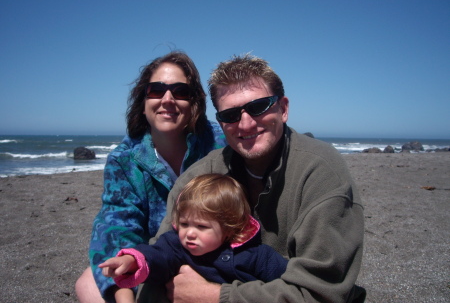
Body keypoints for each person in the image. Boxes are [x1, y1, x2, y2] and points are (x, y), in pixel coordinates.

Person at [143, 54, 366, 303]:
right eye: (230, 115)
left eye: (258, 107)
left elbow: (321, 292)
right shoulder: (198, 179)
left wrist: (215, 296)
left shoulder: (320, 173)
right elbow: (159, 259)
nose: (246, 124)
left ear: (283, 109)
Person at [75, 51, 226, 303]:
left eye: (180, 91)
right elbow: (116, 229)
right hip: (156, 261)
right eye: (156, 90)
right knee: (88, 284)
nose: (168, 99)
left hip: (219, 259)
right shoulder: (124, 160)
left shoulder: (219, 142)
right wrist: (125, 295)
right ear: (142, 103)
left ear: (194, 104)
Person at [99, 174, 288, 298]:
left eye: (201, 226)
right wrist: (131, 261)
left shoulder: (256, 256)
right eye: (184, 224)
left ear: (229, 228)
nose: (189, 233)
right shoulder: (176, 247)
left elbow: (289, 283)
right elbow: (156, 256)